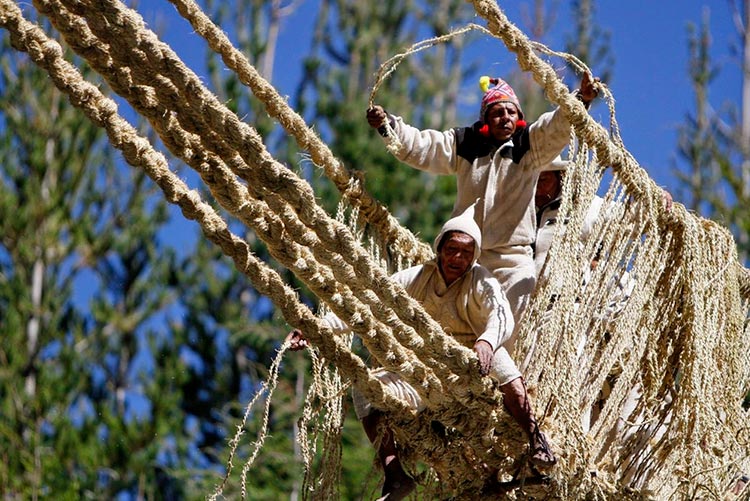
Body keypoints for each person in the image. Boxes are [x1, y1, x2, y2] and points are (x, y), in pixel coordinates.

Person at [285, 205, 556, 501]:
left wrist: (487, 342)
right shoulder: (414, 278)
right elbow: (370, 307)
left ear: (474, 257)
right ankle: (395, 475)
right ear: (439, 248)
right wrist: (315, 328)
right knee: (364, 391)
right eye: (452, 249)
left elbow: (501, 316)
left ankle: (535, 438)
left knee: (509, 374)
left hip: (473, 363)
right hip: (422, 372)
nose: (458, 258)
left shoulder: (482, 281)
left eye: (466, 253)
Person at [367, 73, 600, 351]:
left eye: (511, 112)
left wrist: (581, 98)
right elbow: (423, 147)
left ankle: (507, 382)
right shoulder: (465, 143)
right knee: (458, 327)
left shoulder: (531, 146)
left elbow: (557, 127)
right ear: (485, 118)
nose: (505, 118)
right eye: (497, 112)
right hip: (467, 258)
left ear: (520, 116)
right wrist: (388, 126)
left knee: (512, 328)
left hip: (513, 258)